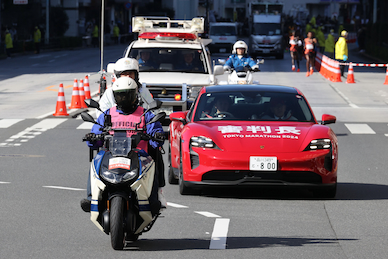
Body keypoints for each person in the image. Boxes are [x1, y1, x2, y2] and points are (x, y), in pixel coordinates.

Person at [80, 77, 166, 213]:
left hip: (139, 157)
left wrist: (157, 135)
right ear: (114, 96)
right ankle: (92, 198)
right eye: (120, 95)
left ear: (135, 94)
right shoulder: (107, 114)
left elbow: (156, 134)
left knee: (152, 165)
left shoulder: (145, 114)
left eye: (127, 94)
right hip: (111, 155)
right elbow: (96, 137)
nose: (124, 98)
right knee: (95, 161)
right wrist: (92, 137)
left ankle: (153, 199)